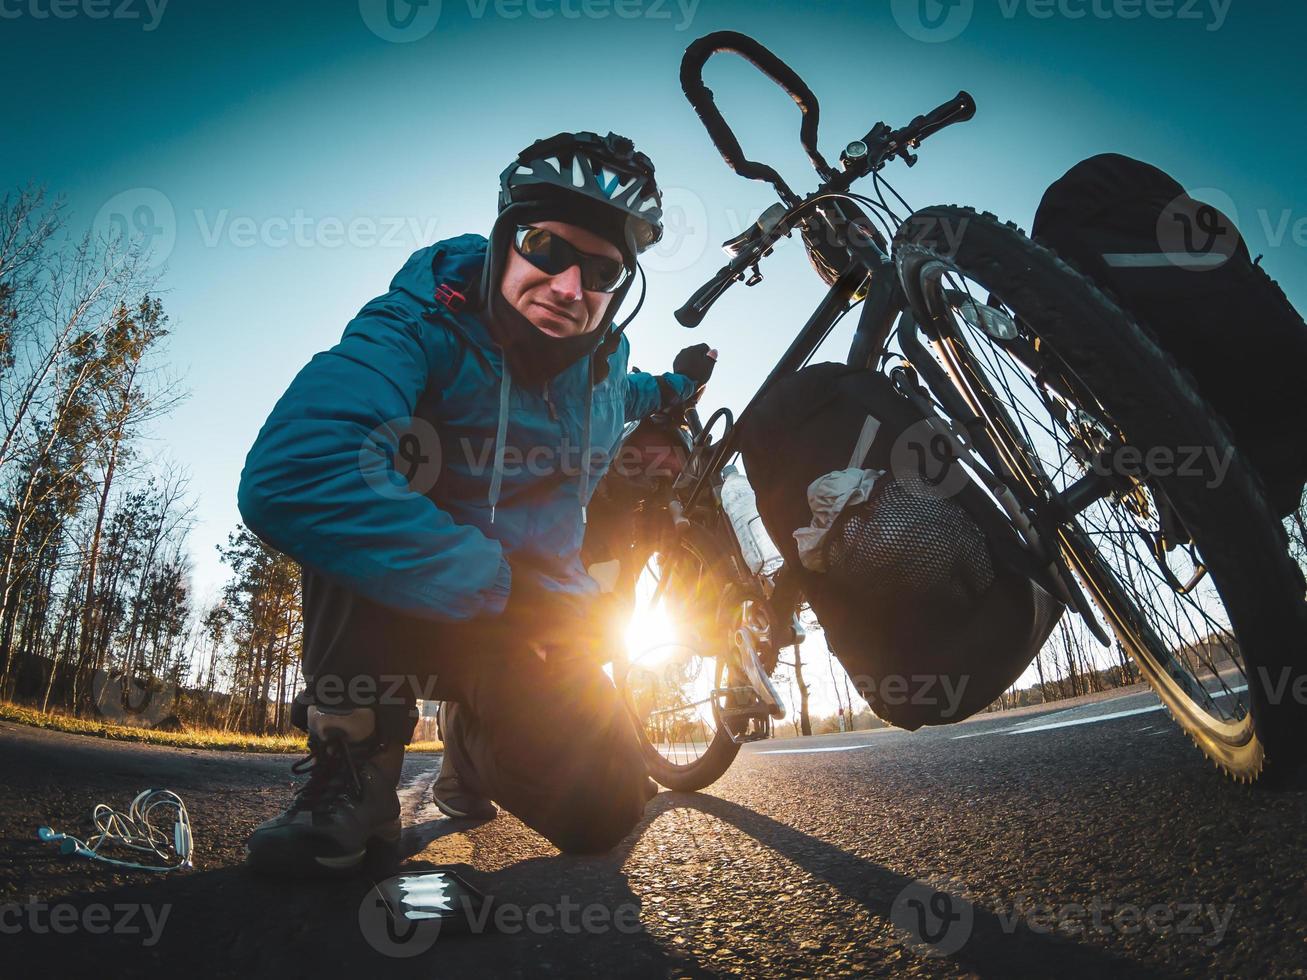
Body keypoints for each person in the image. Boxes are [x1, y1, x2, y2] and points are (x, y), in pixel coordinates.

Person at [237, 131, 718, 875]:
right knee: (365, 467)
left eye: (601, 271)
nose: (568, 288)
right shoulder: (416, 322)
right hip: (411, 604)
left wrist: (680, 388)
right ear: (502, 239)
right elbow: (296, 470)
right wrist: (499, 583)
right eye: (545, 248)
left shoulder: (601, 370)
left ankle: (474, 740)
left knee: (606, 810)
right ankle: (357, 766)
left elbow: (632, 393)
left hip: (531, 629)